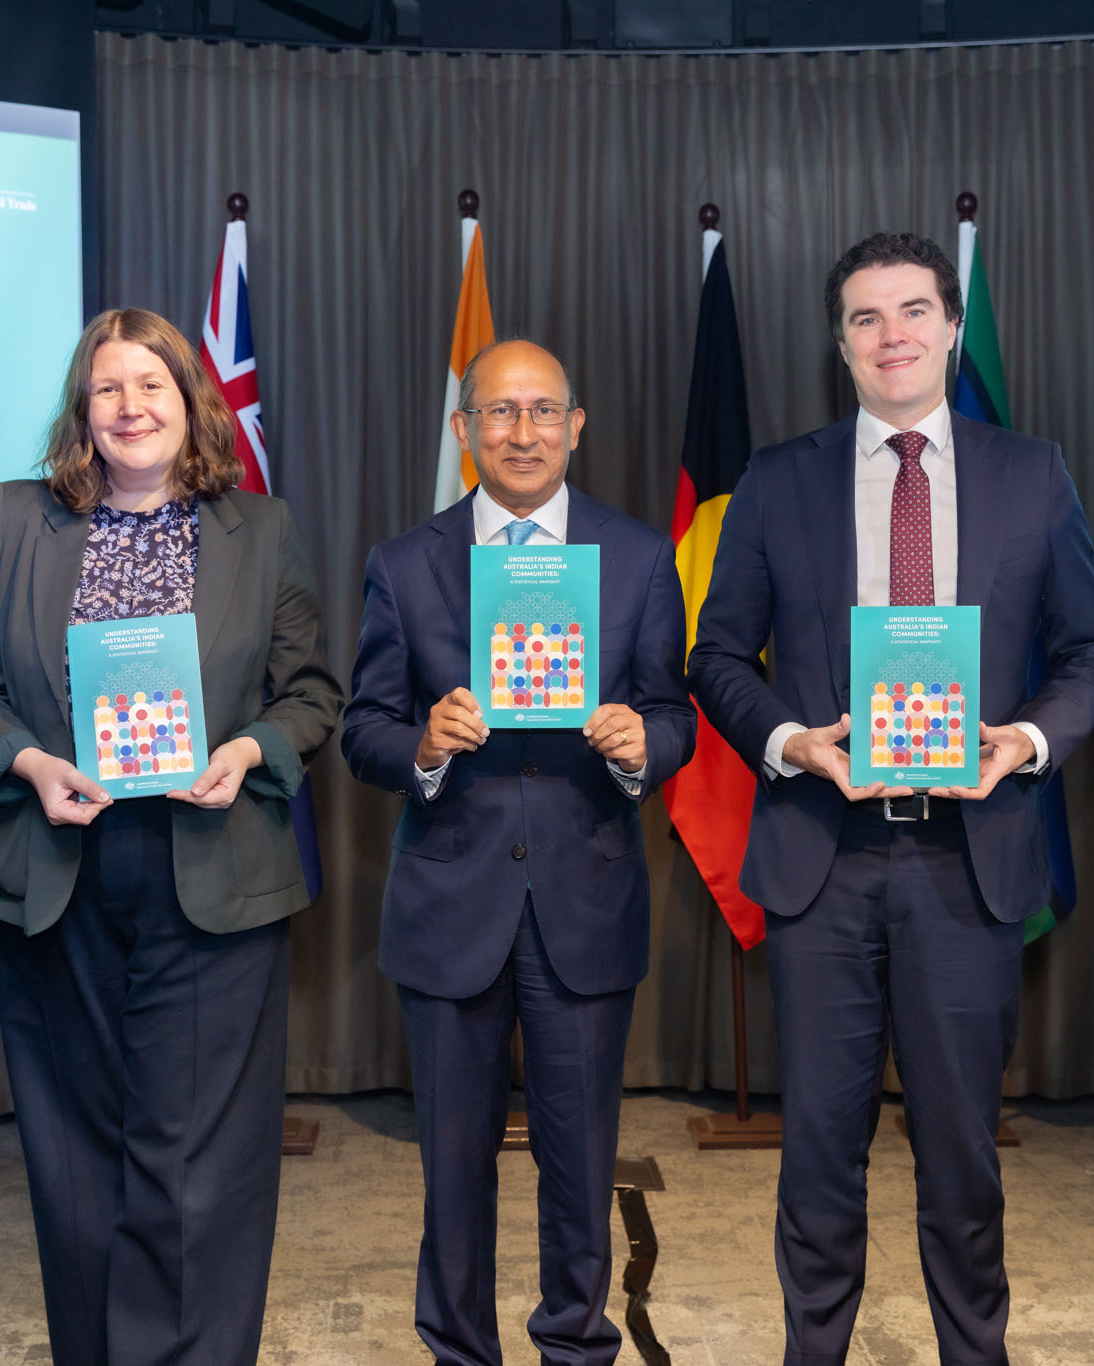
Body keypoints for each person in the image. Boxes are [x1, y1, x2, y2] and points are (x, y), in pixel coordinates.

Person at [687, 231, 1094, 1365]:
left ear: (950, 326)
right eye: (867, 318)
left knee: (960, 1163)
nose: (894, 336)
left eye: (914, 311)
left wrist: (1021, 740)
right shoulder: (779, 478)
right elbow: (718, 655)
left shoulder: (1033, 471)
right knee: (818, 1160)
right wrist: (791, 741)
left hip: (967, 859)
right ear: (839, 344)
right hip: (818, 859)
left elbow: (1090, 652)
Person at [0, 307, 342, 1366]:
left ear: (188, 402)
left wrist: (247, 753)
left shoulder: (262, 529)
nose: (130, 407)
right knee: (74, 1160)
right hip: (54, 867)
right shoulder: (15, 519)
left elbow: (308, 695)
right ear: (83, 412)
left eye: (150, 386)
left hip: (207, 869)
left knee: (198, 1165)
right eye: (108, 389)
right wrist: (30, 762)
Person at [342, 339, 695, 1365]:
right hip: (449, 904)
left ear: (576, 426)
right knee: (452, 1169)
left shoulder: (634, 557)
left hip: (584, 899)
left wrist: (645, 743)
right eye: (499, 412)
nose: (523, 431)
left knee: (579, 1164)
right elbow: (362, 727)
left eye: (544, 410)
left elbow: (672, 710)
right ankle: (460, 1350)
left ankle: (575, 1348)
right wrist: (419, 743)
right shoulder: (405, 564)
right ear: (464, 432)